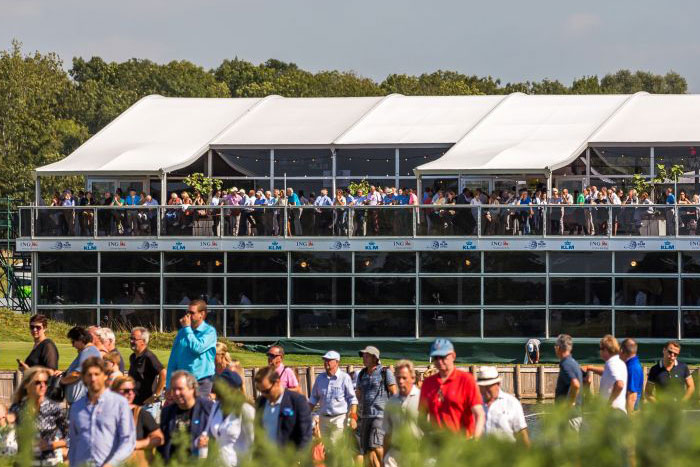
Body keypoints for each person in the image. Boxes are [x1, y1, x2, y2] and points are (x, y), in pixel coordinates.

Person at [68, 357, 135, 467]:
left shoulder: (119, 403)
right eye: (89, 375)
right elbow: (74, 444)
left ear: (104, 376)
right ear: (84, 378)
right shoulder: (76, 407)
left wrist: (112, 463)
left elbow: (128, 442)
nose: (93, 378)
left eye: (97, 374)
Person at [419, 338, 485, 439]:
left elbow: (479, 414)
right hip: (436, 446)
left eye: (443, 357)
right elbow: (421, 416)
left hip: (462, 443)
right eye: (436, 357)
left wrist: (475, 441)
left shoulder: (466, 380)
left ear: (453, 356)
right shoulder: (428, 383)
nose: (439, 361)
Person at [10, 366, 68, 465]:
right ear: (26, 385)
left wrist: (51, 445)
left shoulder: (54, 408)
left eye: (45, 382)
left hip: (47, 462)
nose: (43, 386)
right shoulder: (17, 409)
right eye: (37, 383)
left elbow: (71, 437)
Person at [199, 370, 255, 466]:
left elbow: (253, 444)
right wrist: (202, 455)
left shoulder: (246, 410)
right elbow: (206, 434)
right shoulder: (216, 406)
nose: (216, 389)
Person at [355, 345, 398, 467]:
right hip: (365, 415)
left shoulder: (385, 372)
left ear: (375, 358)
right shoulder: (361, 374)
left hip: (380, 415)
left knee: (377, 444)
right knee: (367, 449)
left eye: (367, 356)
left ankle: (388, 464)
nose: (364, 358)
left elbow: (394, 393)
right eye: (363, 356)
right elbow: (358, 393)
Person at [159, 370, 215, 461]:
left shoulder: (208, 409)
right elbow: (163, 446)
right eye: (173, 389)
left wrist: (209, 442)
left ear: (192, 388)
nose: (176, 393)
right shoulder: (167, 412)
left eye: (180, 389)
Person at [166, 299, 217, 397]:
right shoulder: (182, 333)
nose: (188, 315)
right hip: (183, 381)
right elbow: (173, 359)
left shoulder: (209, 332)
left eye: (192, 313)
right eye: (187, 312)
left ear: (202, 314)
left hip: (201, 381)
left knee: (198, 411)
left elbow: (197, 349)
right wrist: (168, 385)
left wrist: (187, 329)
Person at [254, 365, 312, 448]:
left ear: (277, 382)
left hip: (289, 458)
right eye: (261, 391)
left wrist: (298, 459)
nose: (264, 395)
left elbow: (305, 435)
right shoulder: (260, 402)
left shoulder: (297, 401)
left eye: (267, 391)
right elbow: (257, 434)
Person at [112, 376, 164, 467]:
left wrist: (136, 444)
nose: (131, 393)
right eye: (126, 390)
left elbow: (159, 439)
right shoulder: (105, 413)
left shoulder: (140, 414)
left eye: (133, 390)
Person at [308, 350, 358, 443]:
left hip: (339, 418)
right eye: (325, 360)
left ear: (337, 362)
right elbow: (313, 398)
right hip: (323, 418)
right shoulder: (320, 378)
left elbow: (353, 399)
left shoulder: (345, 377)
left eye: (329, 360)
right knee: (326, 448)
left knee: (336, 447)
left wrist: (353, 418)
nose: (326, 362)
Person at [382, 360, 421, 467]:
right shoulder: (391, 402)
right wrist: (384, 457)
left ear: (413, 378)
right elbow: (387, 434)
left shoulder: (423, 399)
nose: (401, 381)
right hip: (394, 455)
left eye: (404, 378)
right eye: (398, 378)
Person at [477, 366, 529, 445]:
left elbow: (522, 436)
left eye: (488, 386)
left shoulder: (512, 403)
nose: (484, 390)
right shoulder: (475, 404)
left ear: (498, 384)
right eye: (482, 387)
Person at [581, 335, 627, 413]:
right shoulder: (617, 362)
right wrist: (590, 368)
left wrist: (609, 404)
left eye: (600, 349)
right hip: (617, 411)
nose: (600, 352)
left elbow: (620, 384)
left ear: (605, 350)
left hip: (613, 412)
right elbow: (606, 372)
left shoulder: (612, 363)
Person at [60, 326, 102, 404]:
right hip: (79, 402)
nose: (72, 345)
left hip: (81, 402)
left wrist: (62, 381)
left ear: (81, 340)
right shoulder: (87, 351)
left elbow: (77, 374)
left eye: (73, 342)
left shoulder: (88, 351)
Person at [128, 326, 166, 407]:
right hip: (135, 403)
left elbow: (163, 373)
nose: (131, 341)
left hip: (147, 405)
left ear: (143, 341)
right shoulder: (132, 357)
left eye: (134, 339)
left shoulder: (149, 357)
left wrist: (155, 395)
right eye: (130, 338)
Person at [554, 334, 583, 430]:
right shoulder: (573, 362)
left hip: (569, 417)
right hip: (574, 415)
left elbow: (576, 384)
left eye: (555, 346)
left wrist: (570, 404)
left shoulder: (566, 363)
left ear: (558, 347)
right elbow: (587, 380)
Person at [620, 338, 644, 413]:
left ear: (621, 351)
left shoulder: (633, 368)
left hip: (630, 412)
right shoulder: (630, 365)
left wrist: (629, 418)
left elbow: (632, 395)